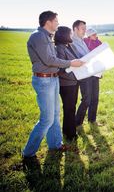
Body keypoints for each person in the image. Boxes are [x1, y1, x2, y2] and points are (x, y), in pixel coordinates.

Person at [22, 11, 84, 160]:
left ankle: (55, 144)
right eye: (56, 20)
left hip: (53, 79)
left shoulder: (48, 37)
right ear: (48, 22)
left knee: (55, 115)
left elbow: (54, 59)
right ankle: (28, 152)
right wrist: (70, 63)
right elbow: (49, 59)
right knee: (47, 119)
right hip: (44, 81)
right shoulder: (38, 36)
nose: (58, 23)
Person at [72, 20, 100, 126]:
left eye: (85, 28)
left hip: (93, 72)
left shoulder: (82, 40)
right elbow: (77, 58)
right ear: (75, 29)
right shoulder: (72, 42)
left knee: (95, 98)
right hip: (83, 74)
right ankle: (77, 123)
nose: (85, 30)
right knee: (87, 99)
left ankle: (92, 120)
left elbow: (88, 55)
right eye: (82, 28)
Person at [55, 26, 80, 141]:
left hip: (74, 82)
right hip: (66, 84)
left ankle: (67, 130)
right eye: (70, 34)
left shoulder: (70, 46)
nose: (72, 36)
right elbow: (61, 70)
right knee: (69, 108)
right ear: (64, 35)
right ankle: (71, 135)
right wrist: (75, 75)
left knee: (71, 107)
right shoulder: (59, 48)